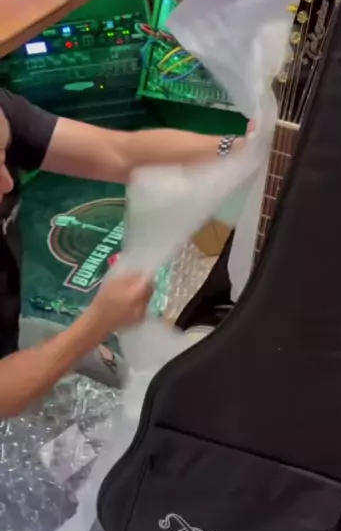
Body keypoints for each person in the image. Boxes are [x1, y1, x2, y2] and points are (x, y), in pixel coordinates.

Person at [0, 90, 245, 418]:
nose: (7, 183)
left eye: (2, 155)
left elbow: (120, 153)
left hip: (12, 333)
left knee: (126, 384)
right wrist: (96, 324)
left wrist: (238, 150)